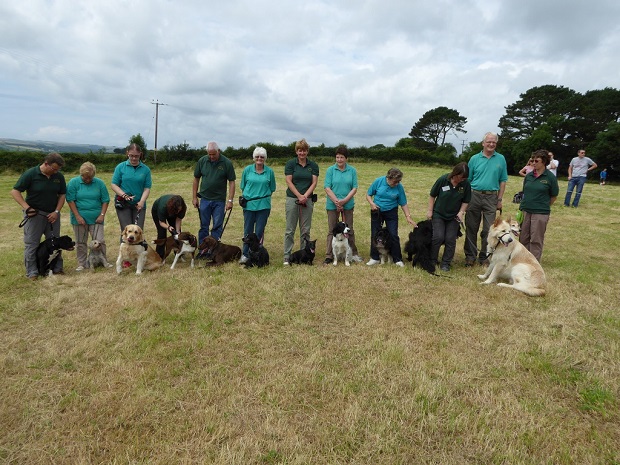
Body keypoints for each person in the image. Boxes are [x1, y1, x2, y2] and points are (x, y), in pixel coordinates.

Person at [11, 152, 67, 280]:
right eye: (54, 168)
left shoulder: (58, 177)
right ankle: (32, 272)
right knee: (32, 243)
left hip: (52, 215)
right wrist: (27, 208)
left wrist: (56, 212)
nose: (55, 171)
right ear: (46, 163)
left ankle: (56, 268)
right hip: (35, 215)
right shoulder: (30, 174)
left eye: (58, 169)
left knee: (56, 242)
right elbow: (15, 191)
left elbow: (62, 195)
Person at [464, 132, 508, 267]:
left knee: (488, 230)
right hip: (474, 195)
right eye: (489, 142)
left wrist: (499, 199)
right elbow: (468, 180)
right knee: (471, 227)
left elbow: (503, 180)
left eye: (494, 142)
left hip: (492, 197)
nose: (491, 144)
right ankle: (470, 257)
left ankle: (484, 257)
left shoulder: (501, 159)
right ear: (483, 143)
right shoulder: (474, 159)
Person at [366, 168, 417, 267]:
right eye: (395, 181)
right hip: (377, 211)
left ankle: (397, 259)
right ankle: (375, 258)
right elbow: (368, 194)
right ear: (388, 178)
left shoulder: (399, 187)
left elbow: (403, 203)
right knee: (375, 234)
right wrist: (372, 204)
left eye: (399, 181)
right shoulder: (378, 181)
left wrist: (408, 216)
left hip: (391, 212)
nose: (397, 183)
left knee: (393, 234)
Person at [66, 162, 112, 271]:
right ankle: (82, 263)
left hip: (96, 218)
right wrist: (77, 216)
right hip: (79, 218)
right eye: (85, 178)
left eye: (90, 178)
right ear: (81, 175)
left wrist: (102, 215)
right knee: (81, 242)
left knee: (99, 240)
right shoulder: (73, 183)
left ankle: (102, 260)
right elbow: (70, 200)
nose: (87, 180)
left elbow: (105, 200)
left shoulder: (99, 183)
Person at [427, 162, 471, 272]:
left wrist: (461, 212)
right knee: (438, 237)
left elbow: (466, 201)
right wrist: (430, 211)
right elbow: (432, 195)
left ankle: (446, 263)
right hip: (439, 214)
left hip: (454, 216)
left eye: (464, 178)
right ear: (454, 174)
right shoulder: (443, 180)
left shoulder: (466, 184)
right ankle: (432, 260)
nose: (461, 180)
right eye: (460, 177)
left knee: (450, 239)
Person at [192, 141, 236, 248]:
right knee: (204, 226)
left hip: (219, 200)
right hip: (205, 199)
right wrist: (194, 197)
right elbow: (196, 179)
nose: (211, 156)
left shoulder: (226, 163)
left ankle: (214, 249)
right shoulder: (202, 161)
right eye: (209, 154)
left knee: (217, 226)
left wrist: (230, 200)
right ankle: (203, 250)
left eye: (213, 154)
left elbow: (232, 182)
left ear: (218, 151)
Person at [323, 145, 362, 265]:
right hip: (332, 204)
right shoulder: (330, 170)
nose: (339, 160)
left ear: (346, 158)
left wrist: (344, 201)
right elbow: (327, 187)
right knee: (332, 230)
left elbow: (354, 188)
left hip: (348, 204)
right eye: (337, 157)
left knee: (349, 230)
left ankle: (353, 254)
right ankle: (329, 255)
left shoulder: (352, 171)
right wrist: (336, 201)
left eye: (342, 157)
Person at [283, 138, 319, 266]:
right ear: (296, 151)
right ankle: (287, 256)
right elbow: (289, 181)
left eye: (304, 150)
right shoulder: (291, 164)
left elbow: (314, 182)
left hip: (307, 199)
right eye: (299, 150)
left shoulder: (313, 165)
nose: (301, 153)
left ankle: (305, 256)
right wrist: (299, 196)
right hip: (292, 199)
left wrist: (305, 196)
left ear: (307, 151)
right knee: (290, 229)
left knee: (305, 230)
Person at [519, 149, 559, 262]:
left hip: (540, 212)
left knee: (536, 239)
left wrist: (543, 206)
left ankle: (533, 262)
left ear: (544, 162)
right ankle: (522, 260)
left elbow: (554, 195)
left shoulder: (550, 178)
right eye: (532, 160)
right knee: (523, 237)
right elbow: (525, 192)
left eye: (536, 160)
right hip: (526, 210)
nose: (533, 163)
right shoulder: (529, 176)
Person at [239, 146, 276, 264]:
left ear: (265, 158)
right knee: (248, 231)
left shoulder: (269, 172)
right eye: (257, 157)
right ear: (254, 158)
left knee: (259, 231)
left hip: (263, 206)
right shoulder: (247, 170)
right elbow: (243, 186)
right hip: (249, 205)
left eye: (262, 157)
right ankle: (245, 254)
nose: (259, 159)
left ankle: (257, 253)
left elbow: (272, 188)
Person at [111, 143, 152, 233]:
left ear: (140, 154)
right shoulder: (120, 167)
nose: (133, 158)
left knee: (138, 231)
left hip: (139, 204)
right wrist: (124, 195)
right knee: (126, 231)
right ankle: (125, 247)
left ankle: (138, 247)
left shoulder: (146, 170)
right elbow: (114, 185)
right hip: (123, 203)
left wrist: (141, 202)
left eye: (136, 156)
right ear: (127, 153)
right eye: (131, 156)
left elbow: (147, 188)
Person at [151, 195, 187, 259]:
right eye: (177, 210)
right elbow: (161, 222)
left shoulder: (183, 208)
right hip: (157, 211)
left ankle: (178, 253)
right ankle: (159, 256)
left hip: (171, 212)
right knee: (162, 233)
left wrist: (177, 231)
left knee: (176, 233)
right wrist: (168, 227)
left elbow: (178, 219)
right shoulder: (162, 207)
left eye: (179, 209)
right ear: (173, 207)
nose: (178, 211)